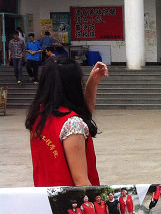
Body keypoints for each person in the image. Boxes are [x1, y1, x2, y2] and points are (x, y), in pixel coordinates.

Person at [26, 56, 108, 186]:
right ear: (73, 85)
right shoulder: (73, 124)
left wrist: (93, 82)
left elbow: (82, 116)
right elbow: (81, 182)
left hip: (45, 194)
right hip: (71, 198)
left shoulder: (39, 115)